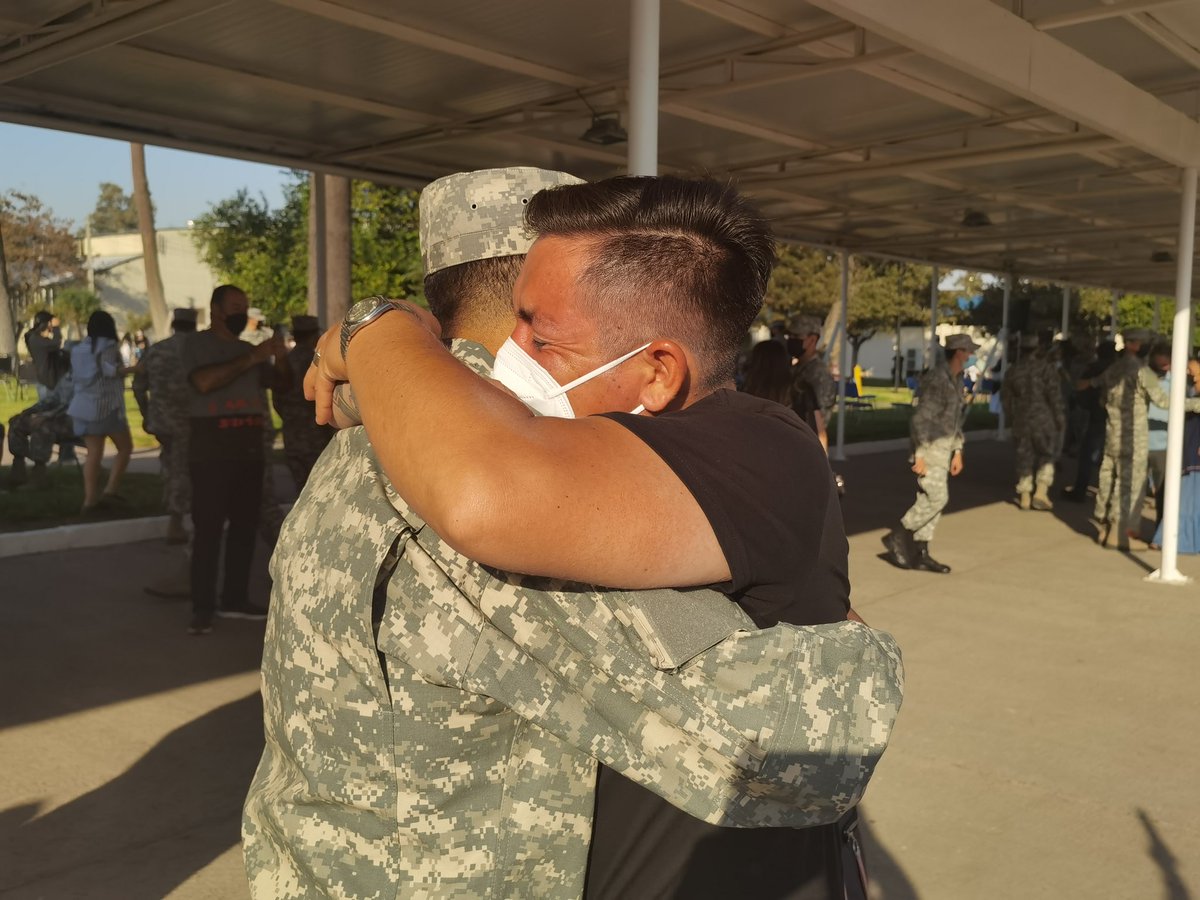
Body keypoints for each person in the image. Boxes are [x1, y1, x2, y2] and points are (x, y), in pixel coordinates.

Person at [247, 171, 901, 900]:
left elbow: (488, 486)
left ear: (657, 371)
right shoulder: (446, 439)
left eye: (539, 333)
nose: (509, 357)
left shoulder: (755, 449)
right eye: (511, 322)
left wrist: (379, 328)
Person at [180, 285, 291, 635]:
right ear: (215, 309)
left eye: (245, 306)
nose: (243, 312)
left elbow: (282, 386)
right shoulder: (196, 345)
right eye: (235, 306)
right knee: (209, 529)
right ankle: (203, 608)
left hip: (249, 448)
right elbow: (203, 382)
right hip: (211, 448)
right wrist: (253, 358)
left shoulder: (248, 349)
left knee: (244, 527)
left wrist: (278, 356)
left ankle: (235, 598)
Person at [1079, 328, 1200, 550]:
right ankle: (1118, 534)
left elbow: (1100, 396)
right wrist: (1195, 404)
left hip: (1113, 433)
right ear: (1134, 344)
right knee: (1129, 485)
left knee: (1109, 478)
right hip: (1134, 437)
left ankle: (1104, 528)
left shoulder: (1113, 369)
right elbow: (1164, 402)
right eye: (1146, 344)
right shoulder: (1141, 372)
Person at [882, 333, 978, 573]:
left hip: (944, 450)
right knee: (938, 498)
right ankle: (899, 534)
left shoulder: (955, 379)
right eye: (968, 351)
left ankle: (921, 552)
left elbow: (953, 421)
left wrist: (957, 450)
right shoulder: (938, 379)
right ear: (958, 352)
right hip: (931, 450)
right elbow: (920, 419)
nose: (971, 355)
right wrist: (921, 454)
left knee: (929, 500)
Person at [67, 310, 135, 513]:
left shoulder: (79, 349)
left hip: (82, 406)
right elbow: (110, 371)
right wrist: (135, 369)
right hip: (106, 406)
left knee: (93, 453)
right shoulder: (108, 347)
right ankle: (110, 490)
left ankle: (89, 501)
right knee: (125, 447)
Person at [142, 307, 197, 544]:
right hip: (187, 421)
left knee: (169, 461)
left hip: (160, 420)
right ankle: (175, 523)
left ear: (174, 324)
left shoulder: (155, 350)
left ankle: (171, 505)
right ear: (193, 326)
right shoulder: (197, 350)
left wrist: (147, 413)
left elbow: (137, 386)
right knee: (181, 470)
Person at [1001, 333, 1066, 511]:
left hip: (1021, 419)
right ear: (1038, 349)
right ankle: (1041, 491)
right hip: (1044, 419)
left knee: (1024, 456)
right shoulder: (1046, 369)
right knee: (1046, 455)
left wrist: (1011, 418)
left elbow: (1005, 399)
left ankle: (1024, 495)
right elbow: (1054, 396)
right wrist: (1059, 417)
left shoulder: (1013, 370)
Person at [270, 315, 334, 492]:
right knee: (322, 489)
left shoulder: (284, 362)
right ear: (314, 335)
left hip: (292, 435)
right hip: (316, 435)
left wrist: (291, 417)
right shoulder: (317, 362)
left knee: (302, 490)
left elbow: (277, 400)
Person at [1152, 359, 1200, 551]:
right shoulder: (1190, 389)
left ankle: (1175, 540)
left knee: (1188, 497)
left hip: (1195, 452)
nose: (1191, 375)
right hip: (1189, 447)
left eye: (1194, 371)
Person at [1062, 339, 1116, 503]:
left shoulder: (1096, 368)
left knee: (1088, 454)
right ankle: (1110, 494)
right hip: (1117, 418)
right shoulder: (1119, 368)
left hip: (1097, 415)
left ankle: (1080, 490)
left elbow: (1079, 386)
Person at [7, 369, 75, 489]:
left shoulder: (90, 378)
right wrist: (29, 412)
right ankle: (18, 470)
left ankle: (39, 476)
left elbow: (73, 405)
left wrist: (45, 416)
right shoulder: (67, 376)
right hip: (56, 417)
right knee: (17, 421)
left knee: (43, 427)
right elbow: (52, 399)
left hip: (76, 422)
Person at [790, 312, 837, 434]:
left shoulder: (820, 374)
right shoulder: (796, 368)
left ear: (812, 339)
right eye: (790, 336)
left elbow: (819, 420)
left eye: (796, 336)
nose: (791, 340)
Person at [1145, 342, 1172, 525]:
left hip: (1164, 445)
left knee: (1163, 493)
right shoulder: (1144, 376)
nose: (1164, 367)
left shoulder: (1178, 381)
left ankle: (1160, 530)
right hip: (1141, 442)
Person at [24, 310, 62, 401]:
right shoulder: (36, 339)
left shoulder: (36, 338)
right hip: (45, 381)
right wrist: (56, 328)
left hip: (48, 379)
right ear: (47, 323)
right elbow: (56, 343)